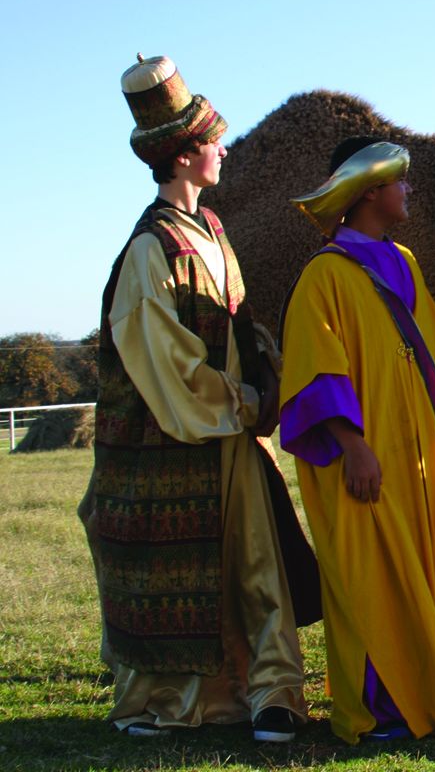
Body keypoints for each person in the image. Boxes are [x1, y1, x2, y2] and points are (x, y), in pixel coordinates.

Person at [78, 54, 311, 741]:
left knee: (259, 565)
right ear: (184, 157)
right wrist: (241, 400)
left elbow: (236, 328)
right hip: (175, 441)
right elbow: (164, 362)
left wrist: (265, 374)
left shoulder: (212, 232)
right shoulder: (151, 249)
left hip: (231, 433)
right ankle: (170, 703)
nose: (224, 150)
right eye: (214, 141)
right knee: (181, 575)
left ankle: (271, 695)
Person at [280, 136, 435, 744]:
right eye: (400, 182)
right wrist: (354, 446)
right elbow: (314, 371)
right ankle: (379, 712)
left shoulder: (403, 261)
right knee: (370, 578)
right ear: (371, 190)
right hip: (364, 460)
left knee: (431, 571)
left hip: (417, 458)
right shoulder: (323, 276)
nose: (408, 192)